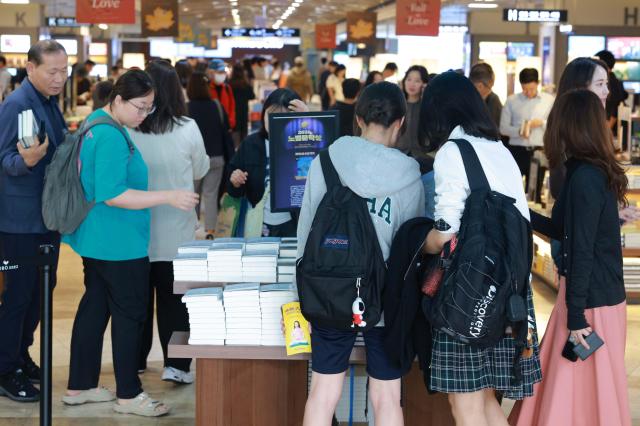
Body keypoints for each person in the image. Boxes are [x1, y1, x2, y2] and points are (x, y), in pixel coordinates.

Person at [63, 70, 199, 417]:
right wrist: (167, 196)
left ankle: (80, 386)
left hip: (98, 239)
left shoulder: (96, 123)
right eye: (140, 107)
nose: (144, 115)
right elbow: (113, 194)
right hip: (118, 243)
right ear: (118, 100)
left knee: (94, 308)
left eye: (150, 108)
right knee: (129, 315)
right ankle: (129, 394)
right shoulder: (110, 136)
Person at [298, 81, 424, 426]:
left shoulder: (324, 162)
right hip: (385, 297)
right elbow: (410, 246)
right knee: (386, 397)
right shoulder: (410, 176)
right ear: (401, 122)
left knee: (323, 392)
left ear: (357, 118)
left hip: (330, 291)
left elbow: (305, 234)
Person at [420, 72, 542, 426]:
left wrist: (418, 244)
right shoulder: (498, 149)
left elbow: (444, 232)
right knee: (487, 399)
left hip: (467, 290)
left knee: (466, 406)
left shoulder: (452, 152)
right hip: (507, 289)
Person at [508, 89, 631, 426]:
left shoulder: (586, 178)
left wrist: (576, 316)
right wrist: (517, 210)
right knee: (577, 392)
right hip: (588, 297)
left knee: (576, 391)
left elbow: (582, 250)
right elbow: (562, 228)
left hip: (591, 303)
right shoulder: (586, 172)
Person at [128, 61, 209, 385]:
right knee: (175, 302)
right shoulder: (187, 127)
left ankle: (133, 360)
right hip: (177, 232)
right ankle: (176, 365)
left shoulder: (129, 129)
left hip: (136, 231)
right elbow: (201, 169)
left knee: (137, 301)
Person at [0, 40, 68, 403]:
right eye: (52, 72)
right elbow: (4, 159)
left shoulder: (47, 102)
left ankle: (20, 354)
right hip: (20, 220)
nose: (60, 78)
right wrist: (25, 161)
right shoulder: (16, 105)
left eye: (64, 70)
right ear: (30, 69)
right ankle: (5, 368)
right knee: (19, 296)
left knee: (41, 293)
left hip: (46, 215)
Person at [226, 89, 307, 238]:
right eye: (271, 115)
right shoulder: (250, 144)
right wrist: (235, 181)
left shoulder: (303, 144)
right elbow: (234, 189)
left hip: (294, 224)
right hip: (258, 223)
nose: (275, 121)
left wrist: (308, 120)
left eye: (284, 117)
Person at [549, 57, 610, 199]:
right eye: (600, 84)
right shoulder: (570, 135)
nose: (606, 91)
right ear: (579, 88)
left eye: (606, 84)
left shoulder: (593, 127)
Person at [188, 71, 232, 239]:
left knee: (193, 194)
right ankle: (211, 231)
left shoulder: (186, 107)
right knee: (211, 194)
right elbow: (226, 129)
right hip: (216, 156)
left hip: (193, 159)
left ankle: (193, 228)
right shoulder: (216, 105)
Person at [500, 68, 554, 189]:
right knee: (512, 189)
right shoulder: (511, 101)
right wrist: (520, 131)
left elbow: (554, 125)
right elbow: (503, 128)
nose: (528, 92)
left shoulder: (549, 100)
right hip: (516, 151)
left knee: (536, 191)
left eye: (531, 89)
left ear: (538, 83)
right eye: (525, 89)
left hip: (538, 151)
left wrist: (542, 123)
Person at [397, 65, 428, 160]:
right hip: (398, 156)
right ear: (404, 81)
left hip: (423, 157)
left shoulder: (427, 107)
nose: (412, 84)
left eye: (417, 81)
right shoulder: (396, 106)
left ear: (424, 84)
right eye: (409, 79)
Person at [595, 49, 628, 131]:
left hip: (610, 129)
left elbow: (615, 108)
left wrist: (606, 131)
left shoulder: (610, 81)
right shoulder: (615, 80)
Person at [229, 62, 256, 146]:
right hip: (244, 112)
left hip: (233, 112)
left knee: (234, 137)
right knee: (243, 135)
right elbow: (252, 96)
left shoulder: (229, 84)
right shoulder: (246, 84)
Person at [469, 62, 502, 128]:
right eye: (489, 87)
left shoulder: (493, 100)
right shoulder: (466, 99)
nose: (490, 91)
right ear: (480, 86)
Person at [207, 59, 236, 130]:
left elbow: (232, 107)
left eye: (223, 72)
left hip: (225, 127)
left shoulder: (227, 88)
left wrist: (230, 123)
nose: (222, 74)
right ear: (211, 73)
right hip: (210, 127)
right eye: (219, 72)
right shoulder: (206, 88)